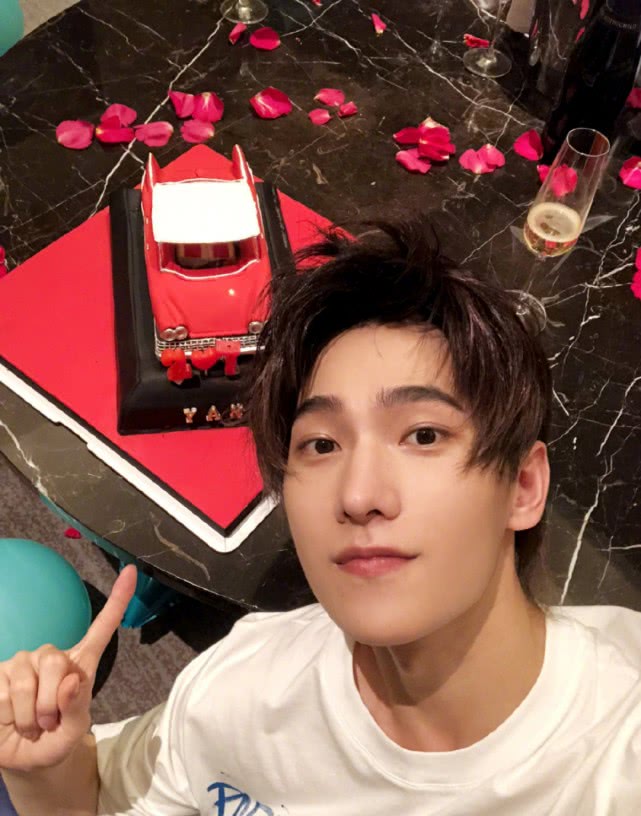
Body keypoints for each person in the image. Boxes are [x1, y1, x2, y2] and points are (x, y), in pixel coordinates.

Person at [1, 217, 640, 815]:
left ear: (523, 486)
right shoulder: (242, 684)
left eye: (423, 435)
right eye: (322, 444)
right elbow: (101, 800)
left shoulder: (615, 760)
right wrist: (42, 771)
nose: (358, 495)